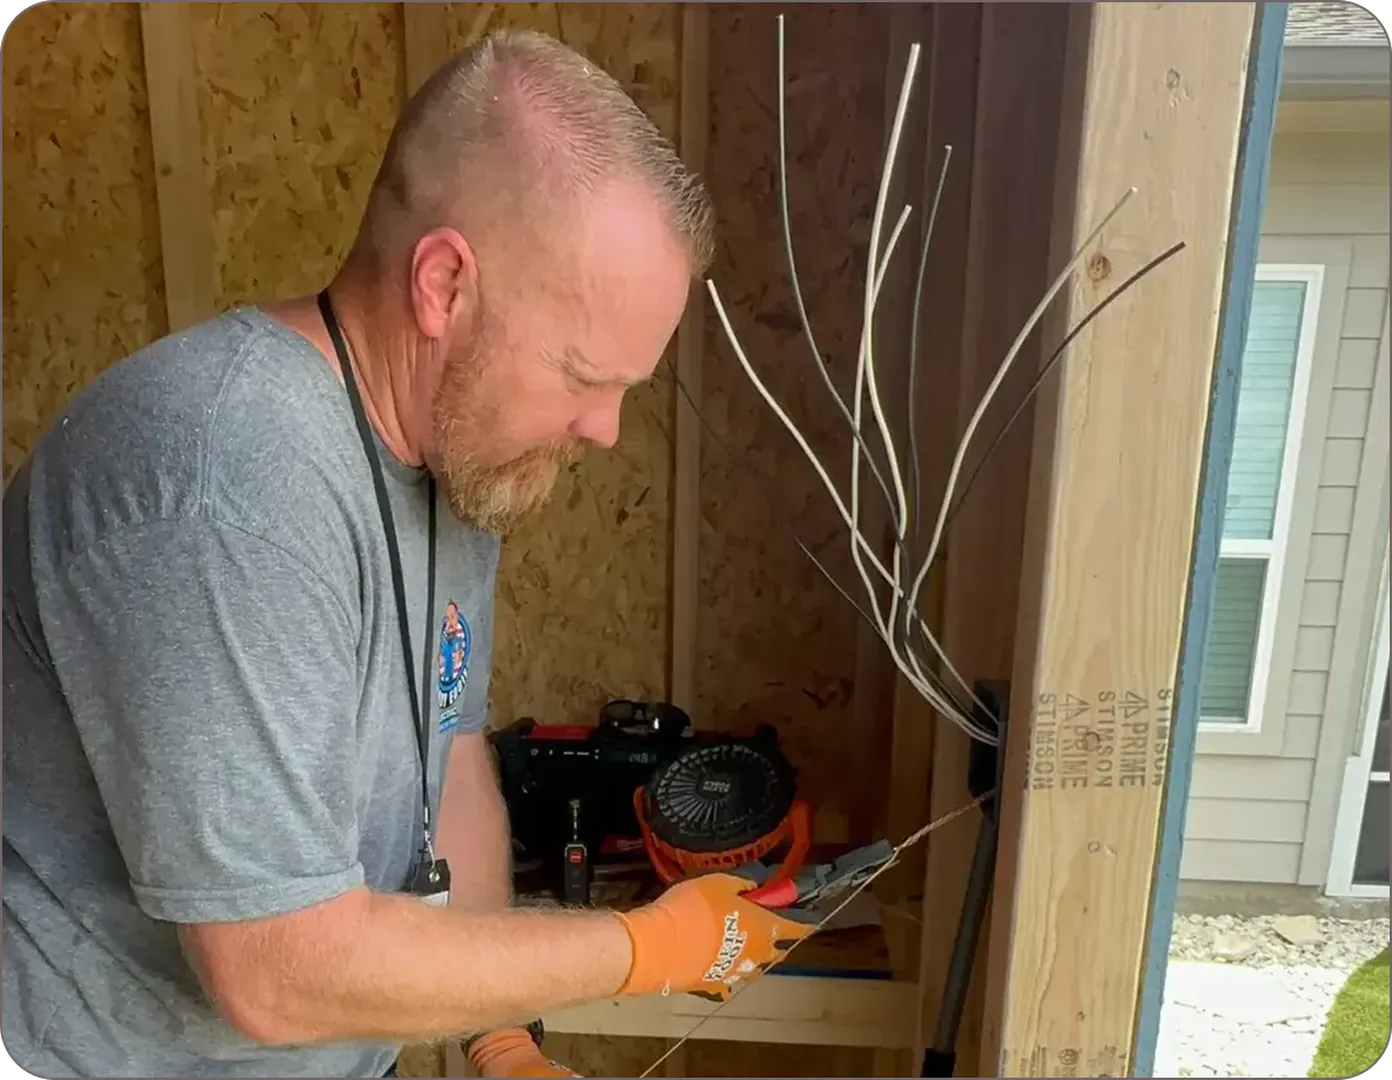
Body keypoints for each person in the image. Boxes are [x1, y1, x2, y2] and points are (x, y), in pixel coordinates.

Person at [1, 28, 815, 1080]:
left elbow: (453, 762)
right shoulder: (228, 480)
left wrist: (504, 1038)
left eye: (627, 386)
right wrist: (644, 947)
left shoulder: (459, 467)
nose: (606, 429)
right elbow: (276, 968)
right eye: (581, 372)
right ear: (444, 286)